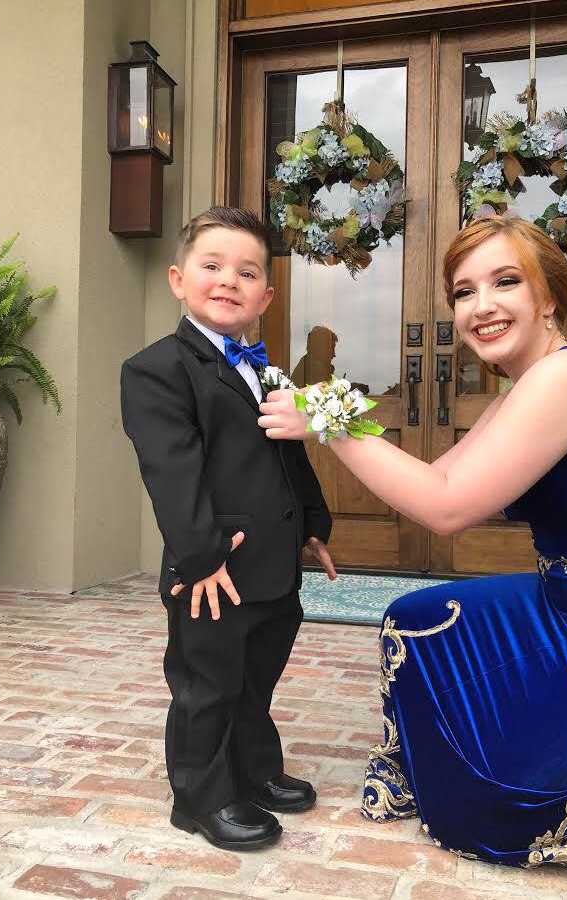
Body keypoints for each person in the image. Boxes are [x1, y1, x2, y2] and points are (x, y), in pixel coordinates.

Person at [258, 216, 567, 886]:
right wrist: (335, 416)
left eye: (506, 282)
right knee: (418, 620)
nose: (482, 306)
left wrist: (328, 418)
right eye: (464, 292)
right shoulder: (522, 391)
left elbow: (448, 509)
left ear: (548, 297)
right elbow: (436, 480)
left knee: (496, 796)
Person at [120, 206, 335, 852]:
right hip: (212, 570)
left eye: (246, 272)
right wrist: (200, 556)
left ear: (265, 296)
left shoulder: (266, 371)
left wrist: (313, 525)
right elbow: (172, 471)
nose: (228, 281)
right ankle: (202, 796)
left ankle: (254, 769)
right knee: (207, 683)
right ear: (178, 279)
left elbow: (288, 455)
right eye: (212, 267)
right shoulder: (157, 369)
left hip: (273, 564)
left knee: (255, 677)